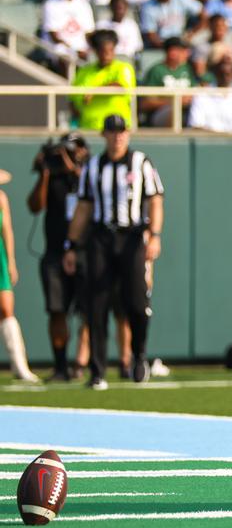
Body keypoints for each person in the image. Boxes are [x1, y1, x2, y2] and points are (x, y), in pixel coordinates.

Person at [63, 115, 165, 389]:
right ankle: (98, 370)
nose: (118, 136)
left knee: (137, 304)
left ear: (128, 134)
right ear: (104, 135)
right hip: (101, 237)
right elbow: (83, 208)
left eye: (122, 132)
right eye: (112, 132)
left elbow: (155, 200)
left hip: (132, 237)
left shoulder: (141, 162)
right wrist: (71, 245)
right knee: (97, 305)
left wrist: (154, 235)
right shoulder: (94, 166)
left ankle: (139, 357)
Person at [27, 134, 91, 381]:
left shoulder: (89, 173)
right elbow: (34, 206)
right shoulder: (52, 175)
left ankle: (83, 363)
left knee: (88, 311)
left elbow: (92, 199)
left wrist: (74, 170)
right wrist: (45, 173)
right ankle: (61, 365)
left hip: (84, 251)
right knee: (57, 310)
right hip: (54, 252)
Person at [0, 174, 39, 382]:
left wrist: (10, 261)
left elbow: (7, 231)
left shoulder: (1, 198)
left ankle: (19, 366)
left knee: (6, 309)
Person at [70, 30, 136, 131]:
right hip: (88, 128)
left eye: (111, 50)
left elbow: (121, 87)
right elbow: (73, 100)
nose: (107, 55)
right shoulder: (84, 71)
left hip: (117, 130)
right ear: (96, 51)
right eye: (103, 51)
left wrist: (95, 91)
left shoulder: (124, 68)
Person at [140, 0, 206, 48]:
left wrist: (192, 34)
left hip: (181, 40)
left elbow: (203, 15)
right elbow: (150, 35)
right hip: (161, 44)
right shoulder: (148, 7)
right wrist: (168, 48)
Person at [42, 0, 95, 64]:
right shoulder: (50, 4)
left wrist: (92, 48)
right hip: (61, 46)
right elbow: (54, 36)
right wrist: (74, 50)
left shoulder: (84, 4)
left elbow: (89, 32)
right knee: (62, 53)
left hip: (81, 46)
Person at [140, 36, 196, 127]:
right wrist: (175, 101)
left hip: (186, 111)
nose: (186, 54)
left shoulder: (187, 69)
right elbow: (145, 103)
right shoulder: (156, 70)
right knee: (174, 110)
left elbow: (195, 91)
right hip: (161, 113)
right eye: (182, 50)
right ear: (171, 52)